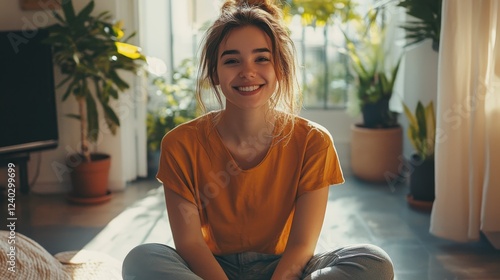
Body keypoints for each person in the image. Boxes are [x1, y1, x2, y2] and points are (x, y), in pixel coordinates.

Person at [122, 0, 395, 279]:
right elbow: (190, 244)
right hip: (211, 269)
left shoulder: (313, 142)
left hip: (287, 267)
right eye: (231, 60)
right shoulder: (180, 144)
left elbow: (302, 245)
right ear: (215, 72)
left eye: (261, 58)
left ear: (280, 67)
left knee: (374, 263)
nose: (247, 72)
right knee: (141, 260)